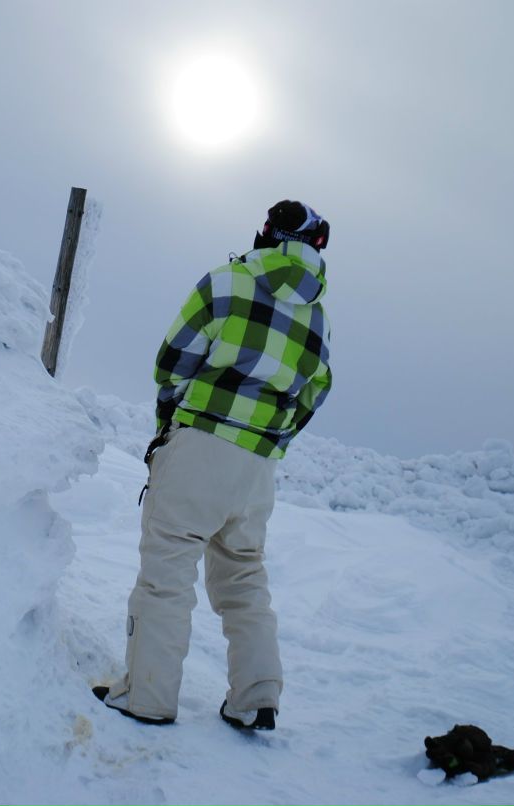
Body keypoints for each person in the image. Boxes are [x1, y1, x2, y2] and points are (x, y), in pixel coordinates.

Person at [93, 200, 333, 731]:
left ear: (267, 234)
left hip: (201, 442)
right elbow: (314, 393)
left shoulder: (227, 282)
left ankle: (147, 697)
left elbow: (174, 360)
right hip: (257, 466)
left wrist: (170, 419)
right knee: (244, 575)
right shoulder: (317, 317)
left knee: (168, 568)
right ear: (318, 248)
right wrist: (271, 440)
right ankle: (256, 698)